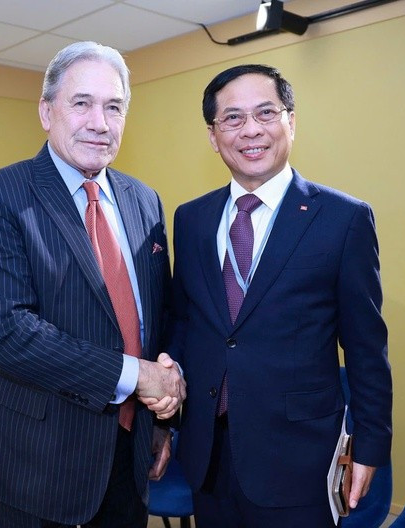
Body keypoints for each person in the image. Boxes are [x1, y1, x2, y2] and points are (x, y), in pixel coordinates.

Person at [0, 41, 185, 528]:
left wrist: (162, 418)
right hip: (38, 456)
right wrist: (136, 375)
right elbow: (8, 335)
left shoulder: (144, 199)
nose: (99, 122)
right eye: (81, 103)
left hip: (130, 449)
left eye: (114, 107)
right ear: (46, 111)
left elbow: (157, 316)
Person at [168, 64, 392, 527]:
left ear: (291, 121)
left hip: (298, 457)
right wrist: (165, 423)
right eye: (232, 118)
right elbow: (185, 323)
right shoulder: (190, 219)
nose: (250, 130)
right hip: (207, 450)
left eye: (266, 113)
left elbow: (367, 346)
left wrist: (370, 446)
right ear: (213, 135)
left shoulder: (343, 219)